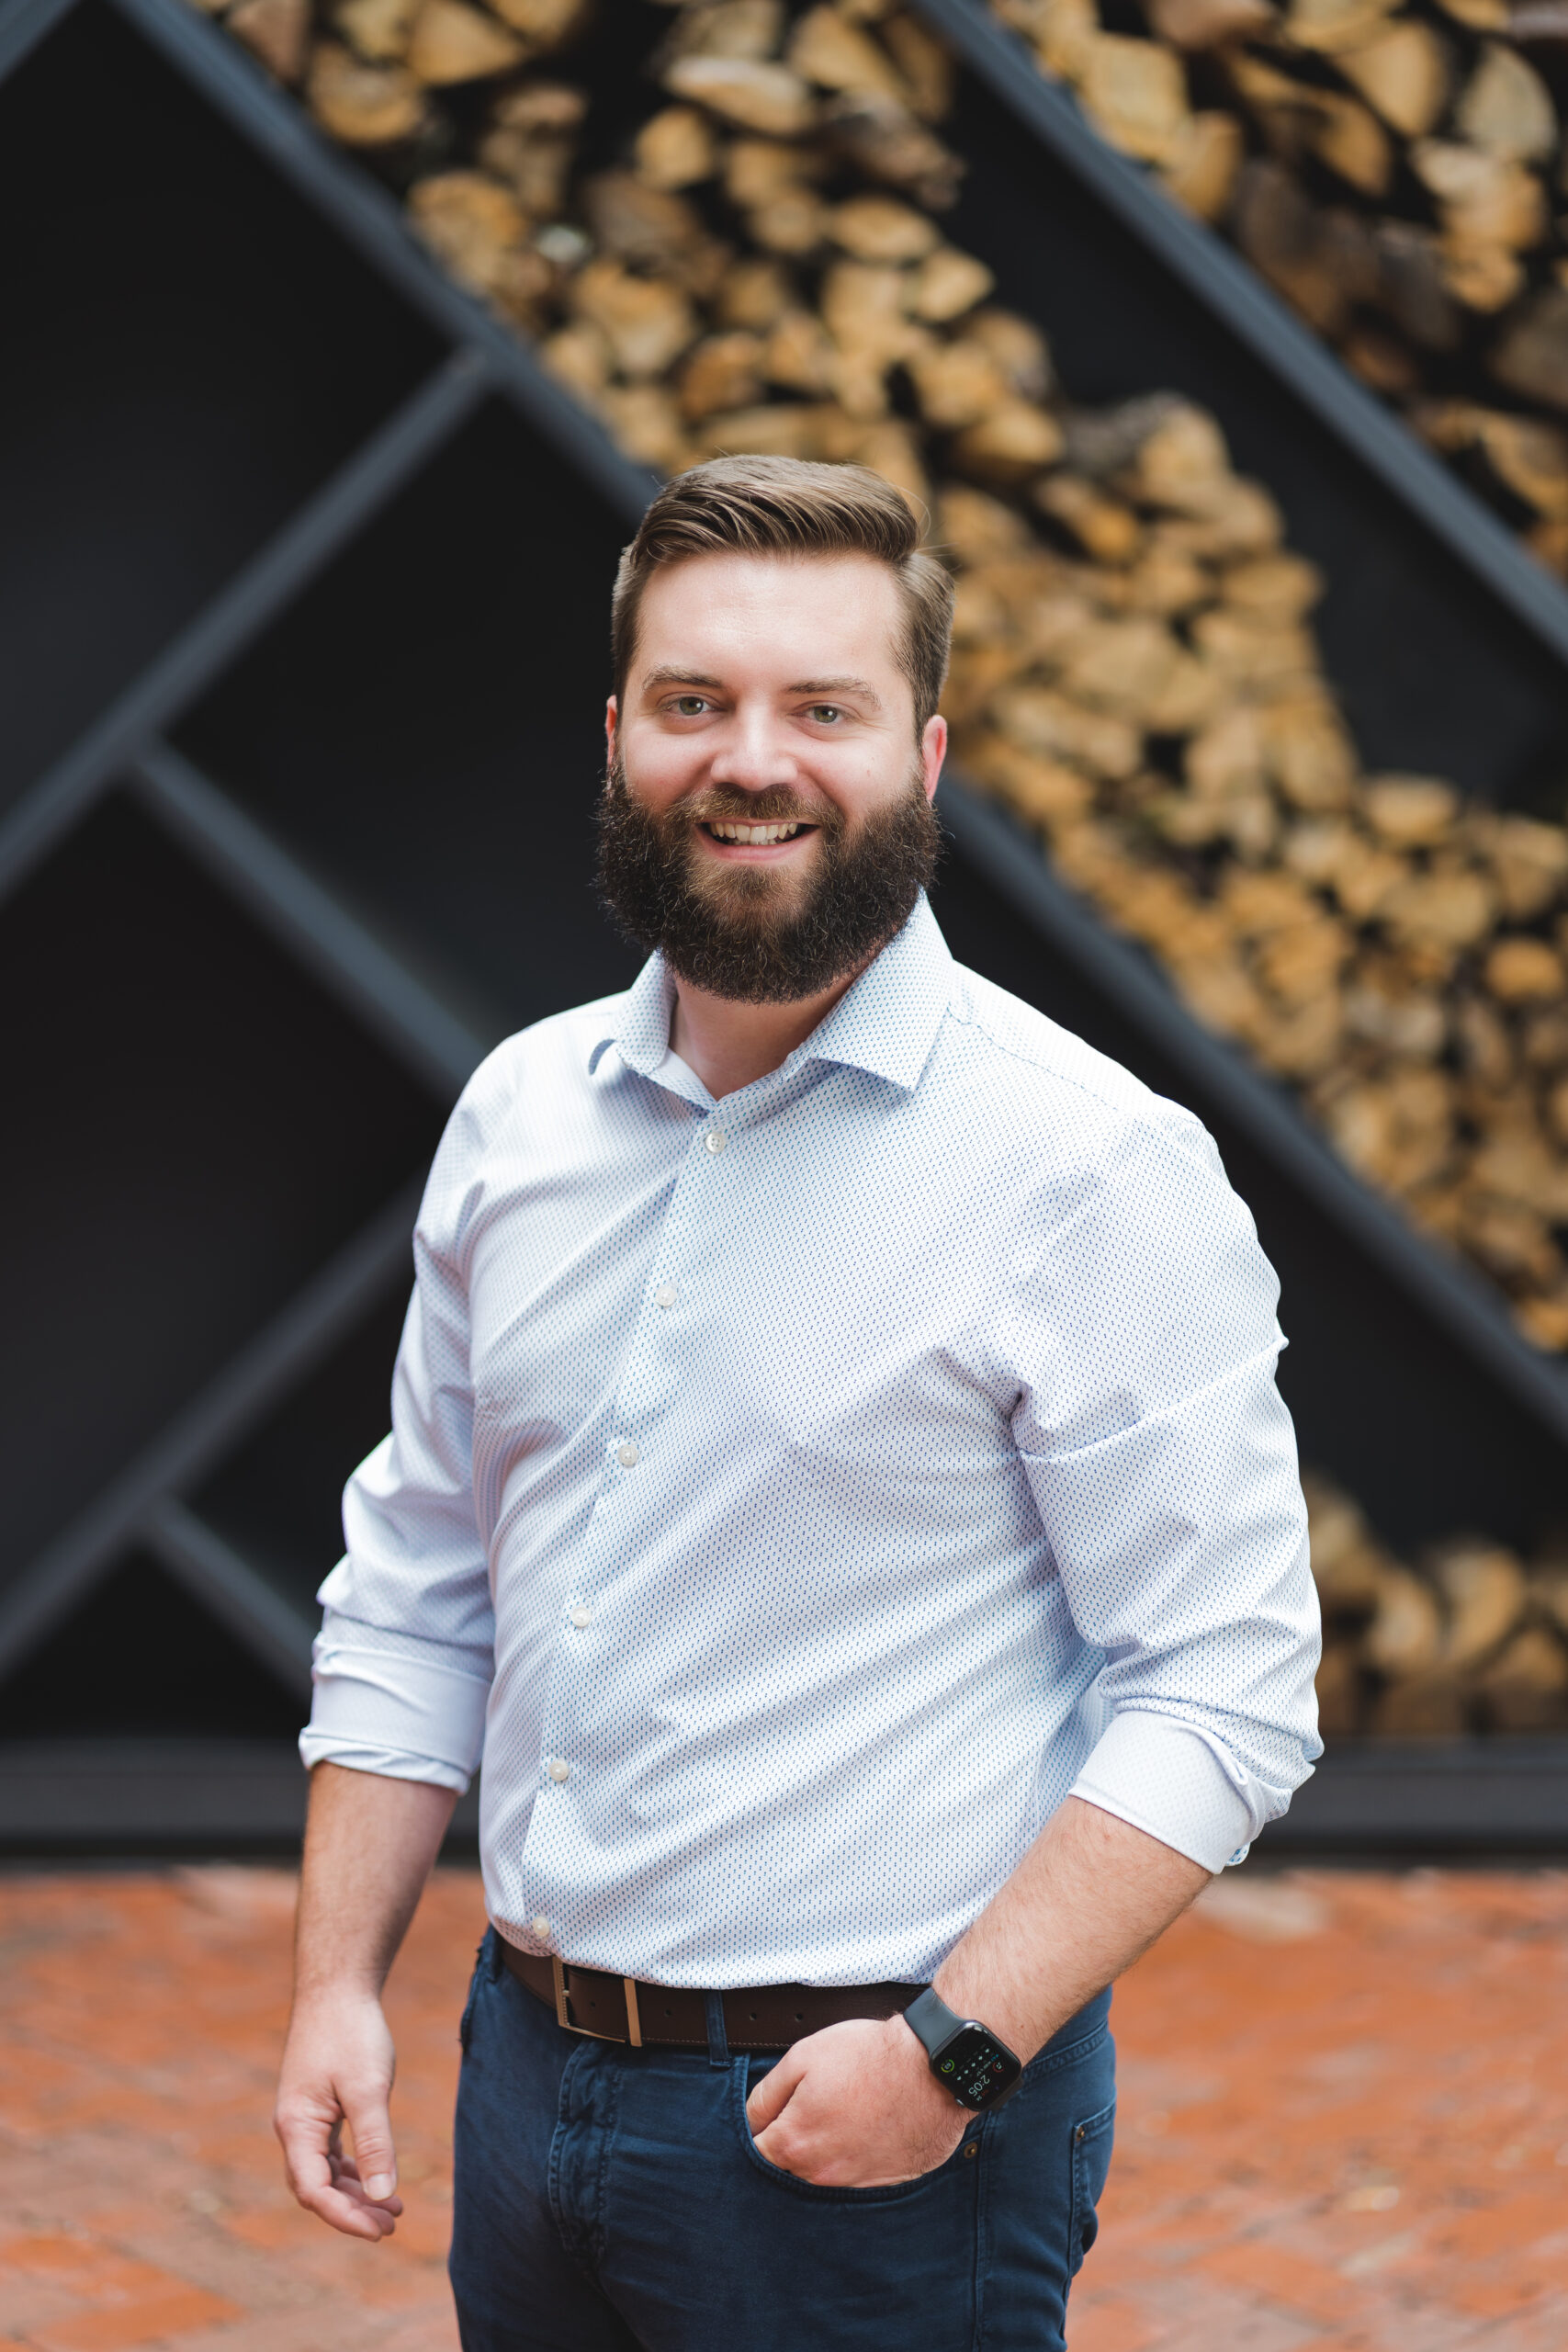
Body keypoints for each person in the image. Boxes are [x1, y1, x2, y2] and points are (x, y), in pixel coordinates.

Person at [274, 454, 1322, 2350]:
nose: (748, 759)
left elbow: (1222, 1683)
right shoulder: (516, 1119)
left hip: (866, 2123)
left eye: (817, 709)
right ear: (618, 741)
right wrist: (338, 1979)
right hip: (522, 2069)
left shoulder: (1083, 1164)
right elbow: (421, 1580)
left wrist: (947, 2054)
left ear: (921, 755)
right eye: (693, 703)